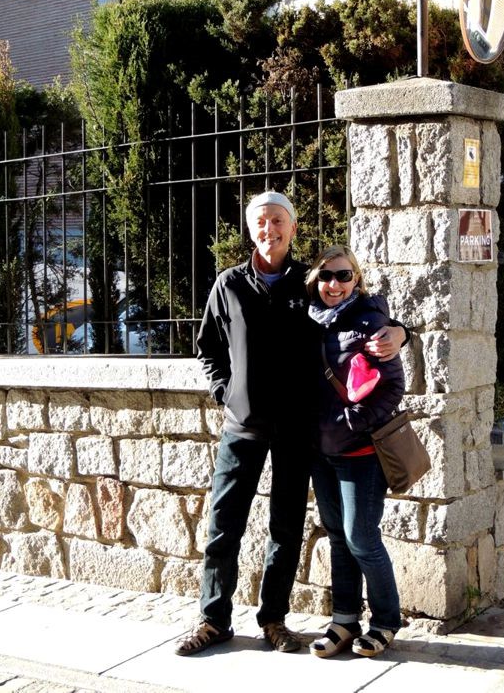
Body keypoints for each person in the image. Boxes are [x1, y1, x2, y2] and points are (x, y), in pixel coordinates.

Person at [173, 192, 408, 656]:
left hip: (296, 431)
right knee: (224, 524)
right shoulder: (228, 284)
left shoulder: (309, 282)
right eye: (261, 222)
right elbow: (208, 348)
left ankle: (274, 619)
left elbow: (357, 312)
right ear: (251, 230)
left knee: (285, 528)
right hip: (242, 427)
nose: (270, 230)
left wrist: (402, 331)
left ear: (293, 228)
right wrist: (227, 393)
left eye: (278, 221)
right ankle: (213, 619)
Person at [304, 244, 405, 659]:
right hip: (320, 451)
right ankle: (344, 620)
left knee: (361, 537)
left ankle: (386, 622)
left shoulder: (371, 322)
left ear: (356, 280)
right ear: (315, 281)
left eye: (344, 276)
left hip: (360, 453)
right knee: (338, 539)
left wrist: (350, 424)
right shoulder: (307, 320)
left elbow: (393, 387)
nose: (335, 284)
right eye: (326, 276)